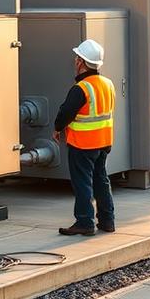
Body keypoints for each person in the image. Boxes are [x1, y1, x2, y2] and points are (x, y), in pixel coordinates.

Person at [53, 38, 116, 235]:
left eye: (76, 58)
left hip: (83, 144)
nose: (75, 61)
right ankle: (107, 221)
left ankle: (84, 222)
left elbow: (66, 112)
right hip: (103, 142)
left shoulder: (81, 88)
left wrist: (57, 128)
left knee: (82, 183)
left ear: (80, 62)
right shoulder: (108, 84)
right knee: (101, 180)